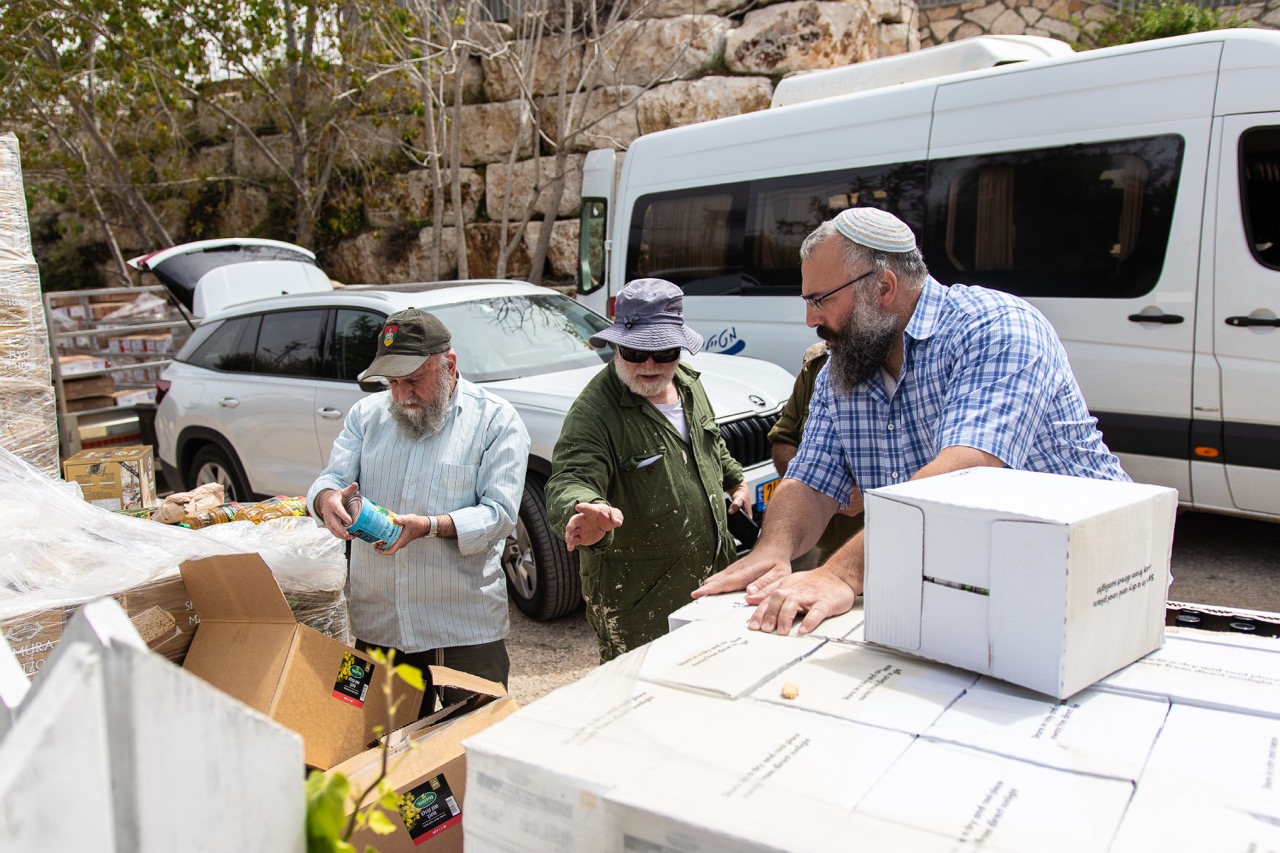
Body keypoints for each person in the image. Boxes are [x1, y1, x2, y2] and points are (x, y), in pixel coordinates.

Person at [694, 207, 1130, 634]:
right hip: (973, 588)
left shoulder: (996, 327)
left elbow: (966, 476)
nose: (811, 320)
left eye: (821, 300)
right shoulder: (842, 370)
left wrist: (840, 574)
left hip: (1091, 581)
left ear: (883, 286)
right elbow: (811, 479)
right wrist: (772, 550)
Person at [308, 307, 530, 710]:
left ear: (449, 365)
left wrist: (430, 526)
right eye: (392, 382)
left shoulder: (496, 420)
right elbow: (330, 479)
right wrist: (327, 500)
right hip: (378, 627)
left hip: (463, 630)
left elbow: (499, 515)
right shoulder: (365, 415)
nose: (401, 395)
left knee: (468, 742)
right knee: (370, 741)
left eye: (413, 380)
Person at [546, 278, 752, 662]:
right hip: (642, 605)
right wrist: (583, 512)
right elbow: (571, 478)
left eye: (664, 351)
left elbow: (710, 442)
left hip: (714, 583)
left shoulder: (688, 385)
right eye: (636, 352)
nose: (650, 365)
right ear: (615, 346)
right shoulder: (594, 412)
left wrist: (735, 479)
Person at [767, 340, 863, 571]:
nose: (812, 323)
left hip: (882, 552)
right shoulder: (817, 362)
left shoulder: (903, 363)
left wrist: (871, 493)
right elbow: (785, 437)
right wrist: (806, 484)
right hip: (825, 555)